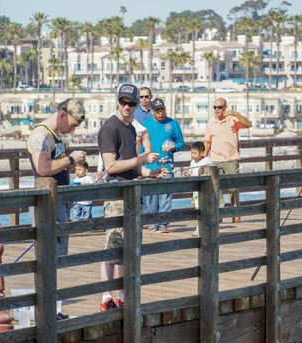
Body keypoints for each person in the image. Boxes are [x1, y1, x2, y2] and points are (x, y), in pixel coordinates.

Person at [97, 84, 165, 311]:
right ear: (117, 101)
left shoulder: (129, 128)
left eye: (131, 103)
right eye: (123, 102)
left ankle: (124, 294)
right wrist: (142, 159)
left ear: (137, 105)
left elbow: (133, 168)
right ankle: (106, 296)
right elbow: (111, 166)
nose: (127, 107)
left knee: (127, 246)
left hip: (129, 191)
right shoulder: (110, 128)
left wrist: (150, 173)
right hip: (115, 192)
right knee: (112, 245)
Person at [26, 98, 87, 256]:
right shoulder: (42, 135)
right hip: (47, 203)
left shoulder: (54, 136)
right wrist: (71, 158)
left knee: (59, 257)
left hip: (58, 201)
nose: (72, 130)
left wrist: (70, 165)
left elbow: (55, 167)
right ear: (62, 115)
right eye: (73, 125)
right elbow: (43, 168)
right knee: (49, 256)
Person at [204, 97, 252, 223]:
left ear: (225, 107)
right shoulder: (211, 123)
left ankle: (235, 213)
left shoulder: (233, 119)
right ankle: (219, 213)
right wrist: (204, 156)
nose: (217, 110)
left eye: (219, 107)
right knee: (215, 187)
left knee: (233, 188)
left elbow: (248, 124)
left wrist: (235, 113)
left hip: (231, 158)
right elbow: (208, 141)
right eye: (215, 107)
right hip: (215, 159)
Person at [141, 97, 184, 233]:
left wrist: (173, 148)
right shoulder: (145, 124)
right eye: (157, 110)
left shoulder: (173, 124)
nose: (160, 112)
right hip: (150, 167)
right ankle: (152, 223)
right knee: (150, 197)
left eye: (162, 109)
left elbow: (181, 143)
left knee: (165, 195)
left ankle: (164, 223)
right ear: (152, 111)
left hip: (167, 165)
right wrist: (140, 162)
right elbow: (141, 146)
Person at [184, 141, 214, 237]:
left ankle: (201, 229)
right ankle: (200, 227)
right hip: (196, 192)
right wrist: (186, 174)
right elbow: (190, 172)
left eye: (195, 153)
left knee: (205, 209)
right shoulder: (193, 162)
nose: (193, 155)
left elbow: (213, 173)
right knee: (198, 209)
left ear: (202, 153)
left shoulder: (207, 161)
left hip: (206, 190)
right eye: (191, 153)